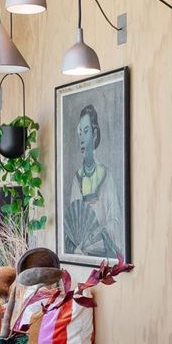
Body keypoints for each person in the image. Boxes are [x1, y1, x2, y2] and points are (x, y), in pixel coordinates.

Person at [62, 102, 122, 258]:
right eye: (79, 133)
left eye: (86, 131)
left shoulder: (106, 177)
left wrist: (97, 236)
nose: (81, 138)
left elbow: (115, 223)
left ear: (95, 134)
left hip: (103, 256)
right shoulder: (77, 180)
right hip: (81, 256)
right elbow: (72, 226)